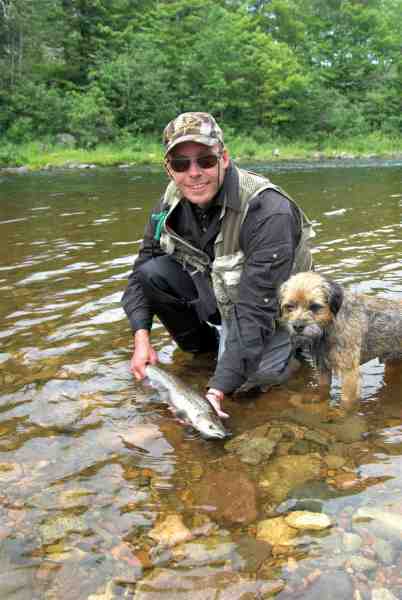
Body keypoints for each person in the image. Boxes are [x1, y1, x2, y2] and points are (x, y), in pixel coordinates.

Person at [122, 112, 314, 417]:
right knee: (152, 273)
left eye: (205, 160)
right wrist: (141, 337)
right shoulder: (169, 203)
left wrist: (216, 390)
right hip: (223, 294)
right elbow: (141, 267)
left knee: (247, 385)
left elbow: (256, 309)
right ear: (168, 169)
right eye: (181, 164)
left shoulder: (268, 211)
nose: (194, 173)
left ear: (223, 158)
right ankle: (206, 351)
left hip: (270, 309)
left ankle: (296, 349)